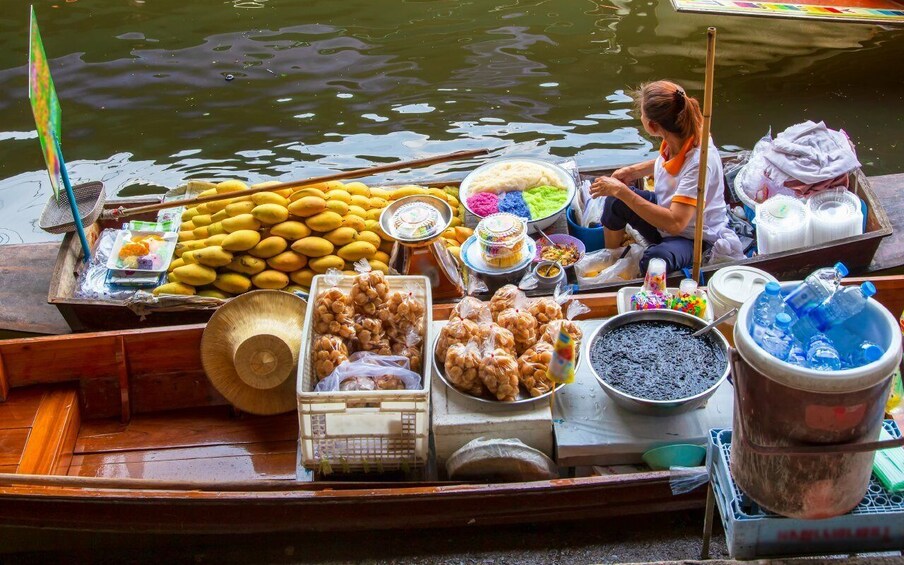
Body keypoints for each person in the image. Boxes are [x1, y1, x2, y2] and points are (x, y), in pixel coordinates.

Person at [590, 80, 741, 274]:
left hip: (693, 237)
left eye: (642, 115)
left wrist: (622, 190)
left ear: (652, 126)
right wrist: (634, 172)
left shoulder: (700, 161)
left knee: (653, 262)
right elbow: (669, 164)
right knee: (614, 201)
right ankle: (611, 259)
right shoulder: (682, 133)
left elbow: (676, 223)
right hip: (664, 208)